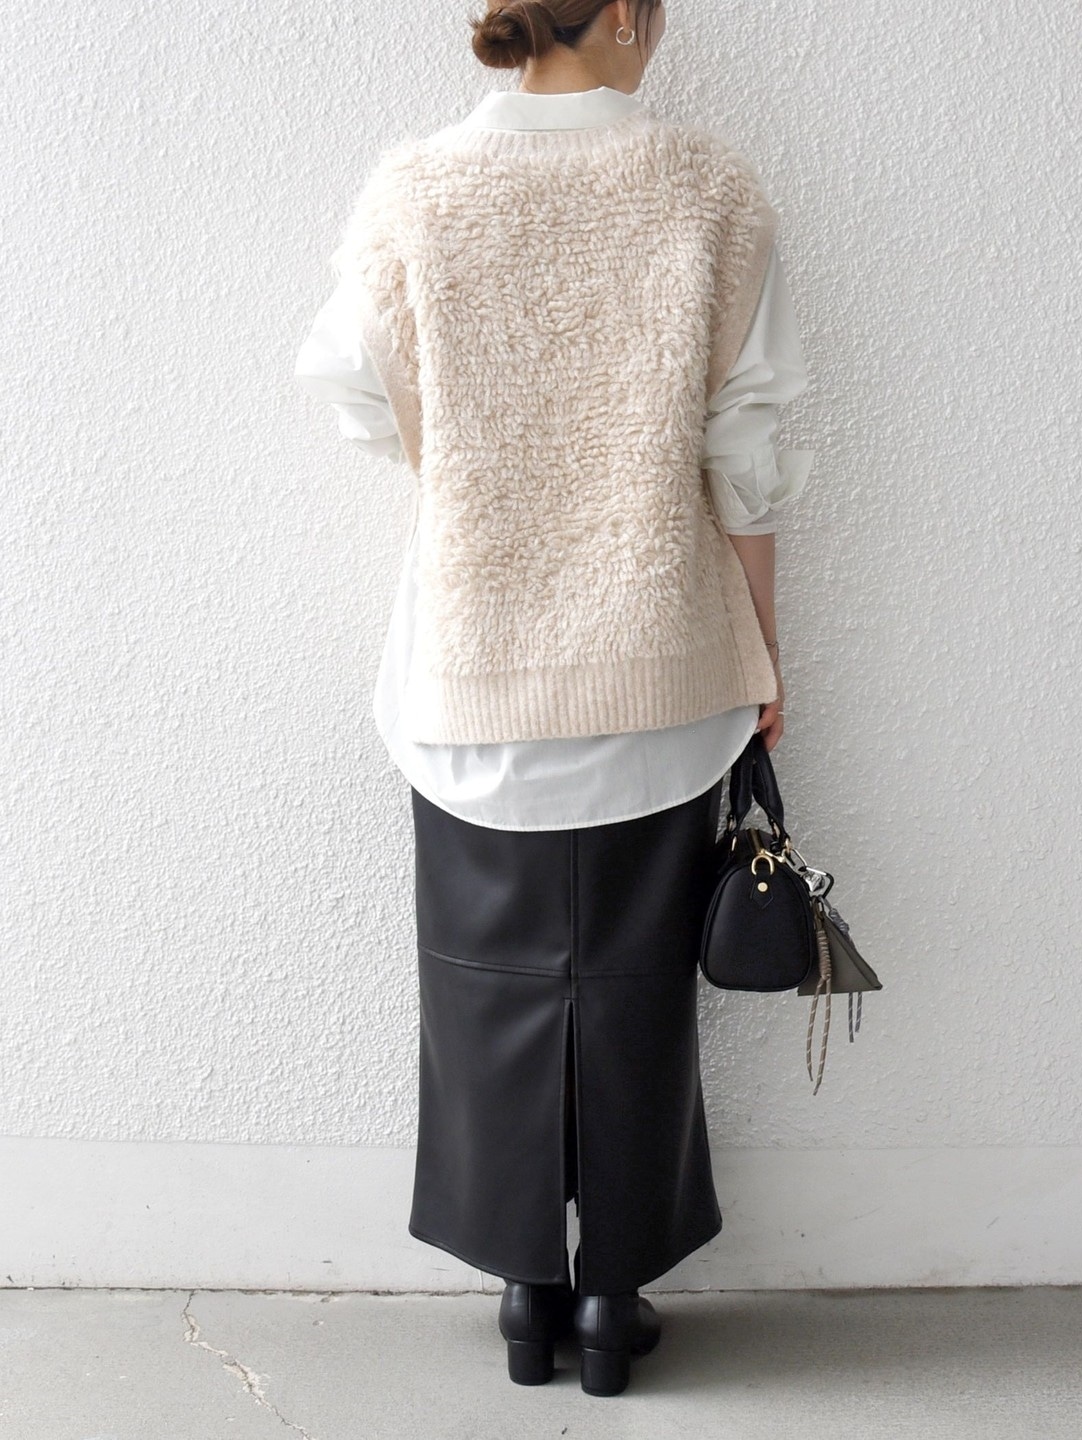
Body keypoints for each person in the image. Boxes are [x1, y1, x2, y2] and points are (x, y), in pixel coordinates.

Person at [294, 0, 813, 1399]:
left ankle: (525, 1294)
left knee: (484, 995)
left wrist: (467, 452)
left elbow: (348, 384)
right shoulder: (709, 192)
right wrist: (765, 647)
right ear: (631, 12)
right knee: (638, 998)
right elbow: (747, 440)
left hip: (471, 671)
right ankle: (610, 1303)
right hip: (658, 670)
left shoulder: (416, 193)